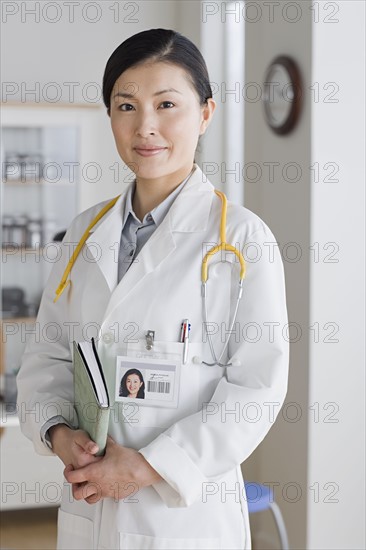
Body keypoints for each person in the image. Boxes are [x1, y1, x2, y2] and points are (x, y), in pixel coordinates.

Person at [17, 28, 289, 550]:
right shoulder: (82, 234)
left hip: (183, 518)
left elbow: (257, 389)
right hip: (90, 507)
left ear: (205, 113)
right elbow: (47, 356)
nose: (146, 126)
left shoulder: (241, 240)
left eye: (167, 104)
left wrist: (147, 467)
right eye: (126, 106)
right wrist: (56, 433)